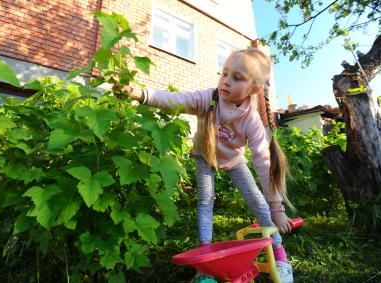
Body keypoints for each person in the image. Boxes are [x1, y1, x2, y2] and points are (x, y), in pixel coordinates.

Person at [124, 47, 294, 282]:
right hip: (205, 155)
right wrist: (141, 94)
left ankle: (279, 251)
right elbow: (177, 99)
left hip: (234, 160)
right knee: (205, 200)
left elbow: (263, 162)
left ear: (253, 88)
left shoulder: (251, 120)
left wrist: (276, 207)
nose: (225, 81)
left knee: (256, 200)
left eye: (237, 78)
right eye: (225, 73)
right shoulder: (208, 98)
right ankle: (205, 263)